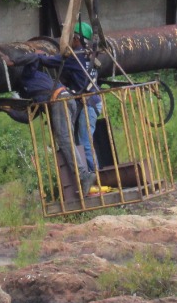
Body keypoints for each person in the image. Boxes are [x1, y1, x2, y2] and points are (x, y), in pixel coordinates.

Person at [8, 50, 99, 199]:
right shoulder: (33, 93)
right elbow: (27, 117)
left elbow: (33, 57)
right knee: (66, 139)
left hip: (59, 100)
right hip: (66, 99)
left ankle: (84, 176)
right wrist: (6, 110)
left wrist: (13, 61)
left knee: (64, 139)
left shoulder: (28, 75)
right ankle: (80, 177)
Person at [61, 21, 106, 183]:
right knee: (82, 142)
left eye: (71, 36)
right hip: (92, 102)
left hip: (88, 104)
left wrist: (40, 57)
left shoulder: (76, 58)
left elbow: (59, 66)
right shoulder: (90, 56)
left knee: (85, 143)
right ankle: (89, 177)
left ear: (77, 39)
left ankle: (96, 178)